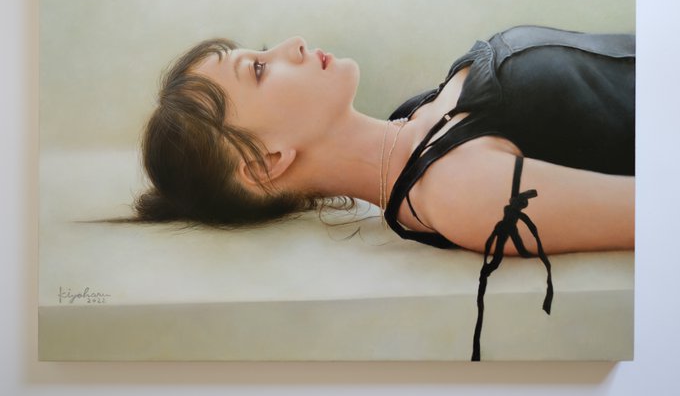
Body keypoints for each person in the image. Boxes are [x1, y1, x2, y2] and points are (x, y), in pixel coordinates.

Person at [136, 25, 635, 360]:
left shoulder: (417, 117)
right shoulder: (457, 193)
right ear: (268, 162)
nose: (293, 44)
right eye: (259, 69)